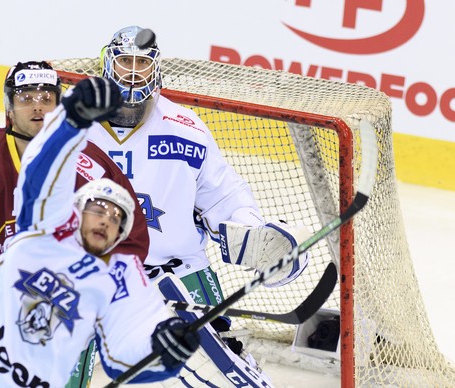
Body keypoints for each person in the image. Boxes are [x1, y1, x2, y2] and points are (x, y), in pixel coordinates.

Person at [81, 25, 313, 387]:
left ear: (155, 70)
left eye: (142, 63)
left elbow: (223, 196)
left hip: (179, 276)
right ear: (107, 63)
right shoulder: (70, 127)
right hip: (91, 274)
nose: (132, 71)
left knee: (219, 374)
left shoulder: (186, 129)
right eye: (125, 60)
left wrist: (256, 236)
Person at [0, 76, 200, 387]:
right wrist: (71, 120)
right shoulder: (43, 229)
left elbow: (122, 355)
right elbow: (42, 171)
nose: (106, 221)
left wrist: (162, 353)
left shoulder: (121, 275)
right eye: (98, 210)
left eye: (116, 219)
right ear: (78, 212)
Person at [0, 61, 149, 386]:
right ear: (9, 107)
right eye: (26, 97)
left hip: (62, 305)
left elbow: (130, 239)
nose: (37, 105)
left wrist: (97, 288)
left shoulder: (91, 168)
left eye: (46, 97)